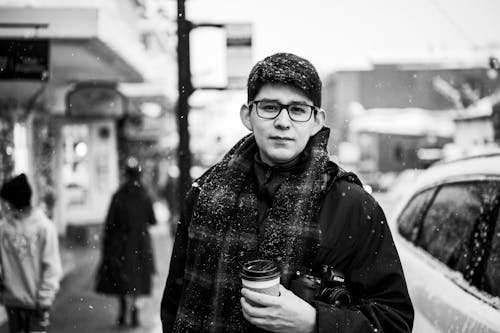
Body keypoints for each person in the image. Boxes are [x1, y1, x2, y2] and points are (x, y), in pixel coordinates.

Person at [161, 52, 414, 332]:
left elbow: (394, 321)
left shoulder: (353, 205)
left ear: (316, 120)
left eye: (297, 109)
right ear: (247, 115)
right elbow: (175, 303)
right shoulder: (205, 192)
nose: (283, 122)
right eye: (269, 107)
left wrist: (315, 322)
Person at [95, 157, 157, 327]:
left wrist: (108, 242)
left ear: (125, 175)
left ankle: (123, 311)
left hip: (121, 243)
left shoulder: (118, 195)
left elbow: (110, 222)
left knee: (122, 277)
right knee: (138, 278)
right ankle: (135, 311)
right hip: (140, 243)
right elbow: (152, 220)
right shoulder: (145, 195)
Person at [0, 173, 63, 333]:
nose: (4, 207)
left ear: (14, 203)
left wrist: (45, 299)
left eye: (6, 203)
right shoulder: (3, 229)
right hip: (12, 302)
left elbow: (52, 267)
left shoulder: (43, 228)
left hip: (37, 304)